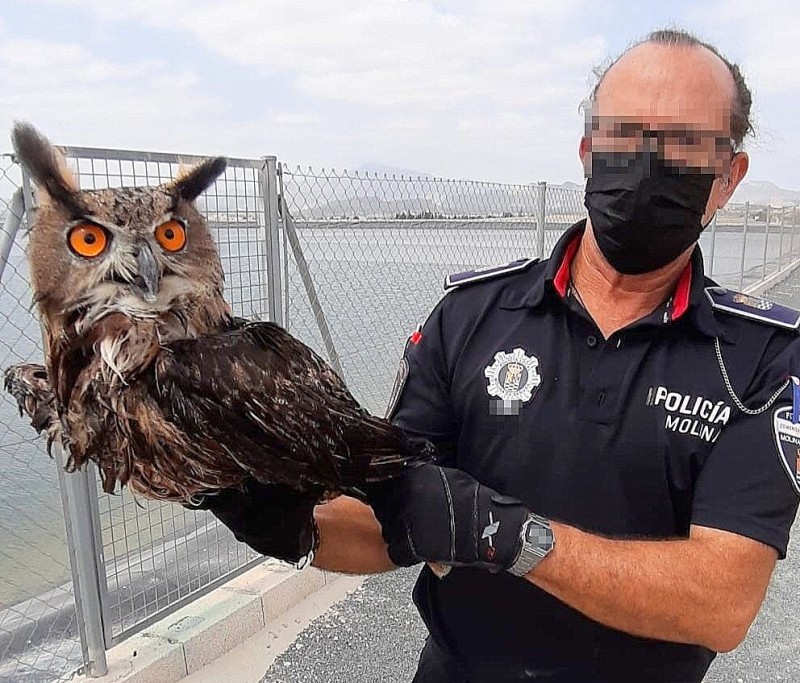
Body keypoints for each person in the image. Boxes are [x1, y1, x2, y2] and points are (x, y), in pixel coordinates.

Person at [199, 29, 800, 682]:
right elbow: (387, 523)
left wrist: (510, 534)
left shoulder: (762, 360)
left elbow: (720, 604)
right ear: (587, 150)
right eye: (625, 131)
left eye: (683, 141)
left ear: (728, 178)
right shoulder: (469, 317)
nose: (647, 159)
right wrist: (253, 500)